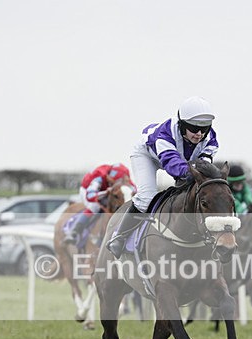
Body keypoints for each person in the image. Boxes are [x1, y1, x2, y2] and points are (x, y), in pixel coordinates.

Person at [107, 96, 218, 259]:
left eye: (204, 128)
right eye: (194, 128)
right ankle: (119, 236)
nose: (199, 134)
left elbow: (203, 165)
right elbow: (171, 163)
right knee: (147, 197)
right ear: (182, 125)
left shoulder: (211, 140)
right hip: (147, 156)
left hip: (181, 161)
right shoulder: (165, 133)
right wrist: (190, 173)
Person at [64, 163, 131, 245]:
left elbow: (134, 190)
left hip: (109, 192)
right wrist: (105, 192)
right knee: (94, 206)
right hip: (87, 190)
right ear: (108, 177)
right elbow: (90, 195)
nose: (115, 185)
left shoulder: (125, 178)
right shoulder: (99, 177)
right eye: (112, 183)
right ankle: (74, 232)